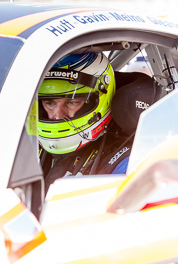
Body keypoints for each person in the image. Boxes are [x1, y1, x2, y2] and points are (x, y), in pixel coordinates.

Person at [38, 52, 162, 194]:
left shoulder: (125, 163)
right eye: (49, 103)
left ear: (102, 100)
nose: (57, 115)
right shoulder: (25, 144)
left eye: (72, 102)